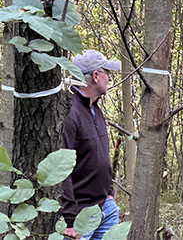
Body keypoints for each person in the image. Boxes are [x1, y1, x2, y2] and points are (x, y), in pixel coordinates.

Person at [62, 50, 120, 240]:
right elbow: (63, 170)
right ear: (96, 76)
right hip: (80, 214)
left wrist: (109, 194)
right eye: (107, 73)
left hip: (106, 206)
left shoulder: (96, 110)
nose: (109, 78)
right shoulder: (70, 113)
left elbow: (101, 157)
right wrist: (70, 220)